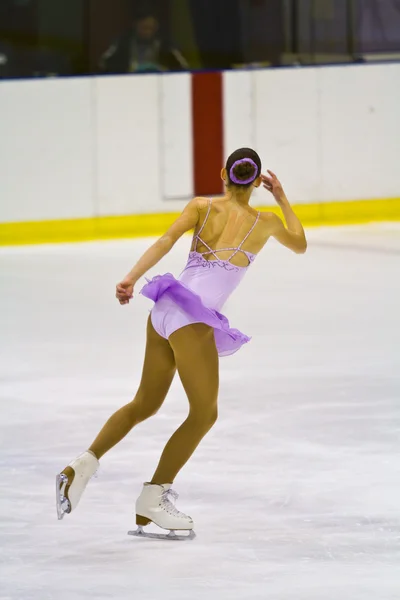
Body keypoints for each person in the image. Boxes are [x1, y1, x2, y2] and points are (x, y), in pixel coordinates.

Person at [56, 148, 307, 537]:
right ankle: (153, 497)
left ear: (223, 173)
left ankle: (81, 466)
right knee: (204, 414)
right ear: (257, 181)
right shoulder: (267, 222)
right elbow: (300, 243)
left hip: (165, 307)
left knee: (145, 403)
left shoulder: (202, 206)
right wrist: (282, 197)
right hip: (193, 319)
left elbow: (166, 239)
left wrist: (130, 278)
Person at [99, 10, 187, 74]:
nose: (148, 32)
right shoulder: (122, 43)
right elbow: (104, 64)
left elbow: (183, 67)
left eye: (151, 28)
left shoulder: (165, 44)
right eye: (144, 28)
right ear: (136, 26)